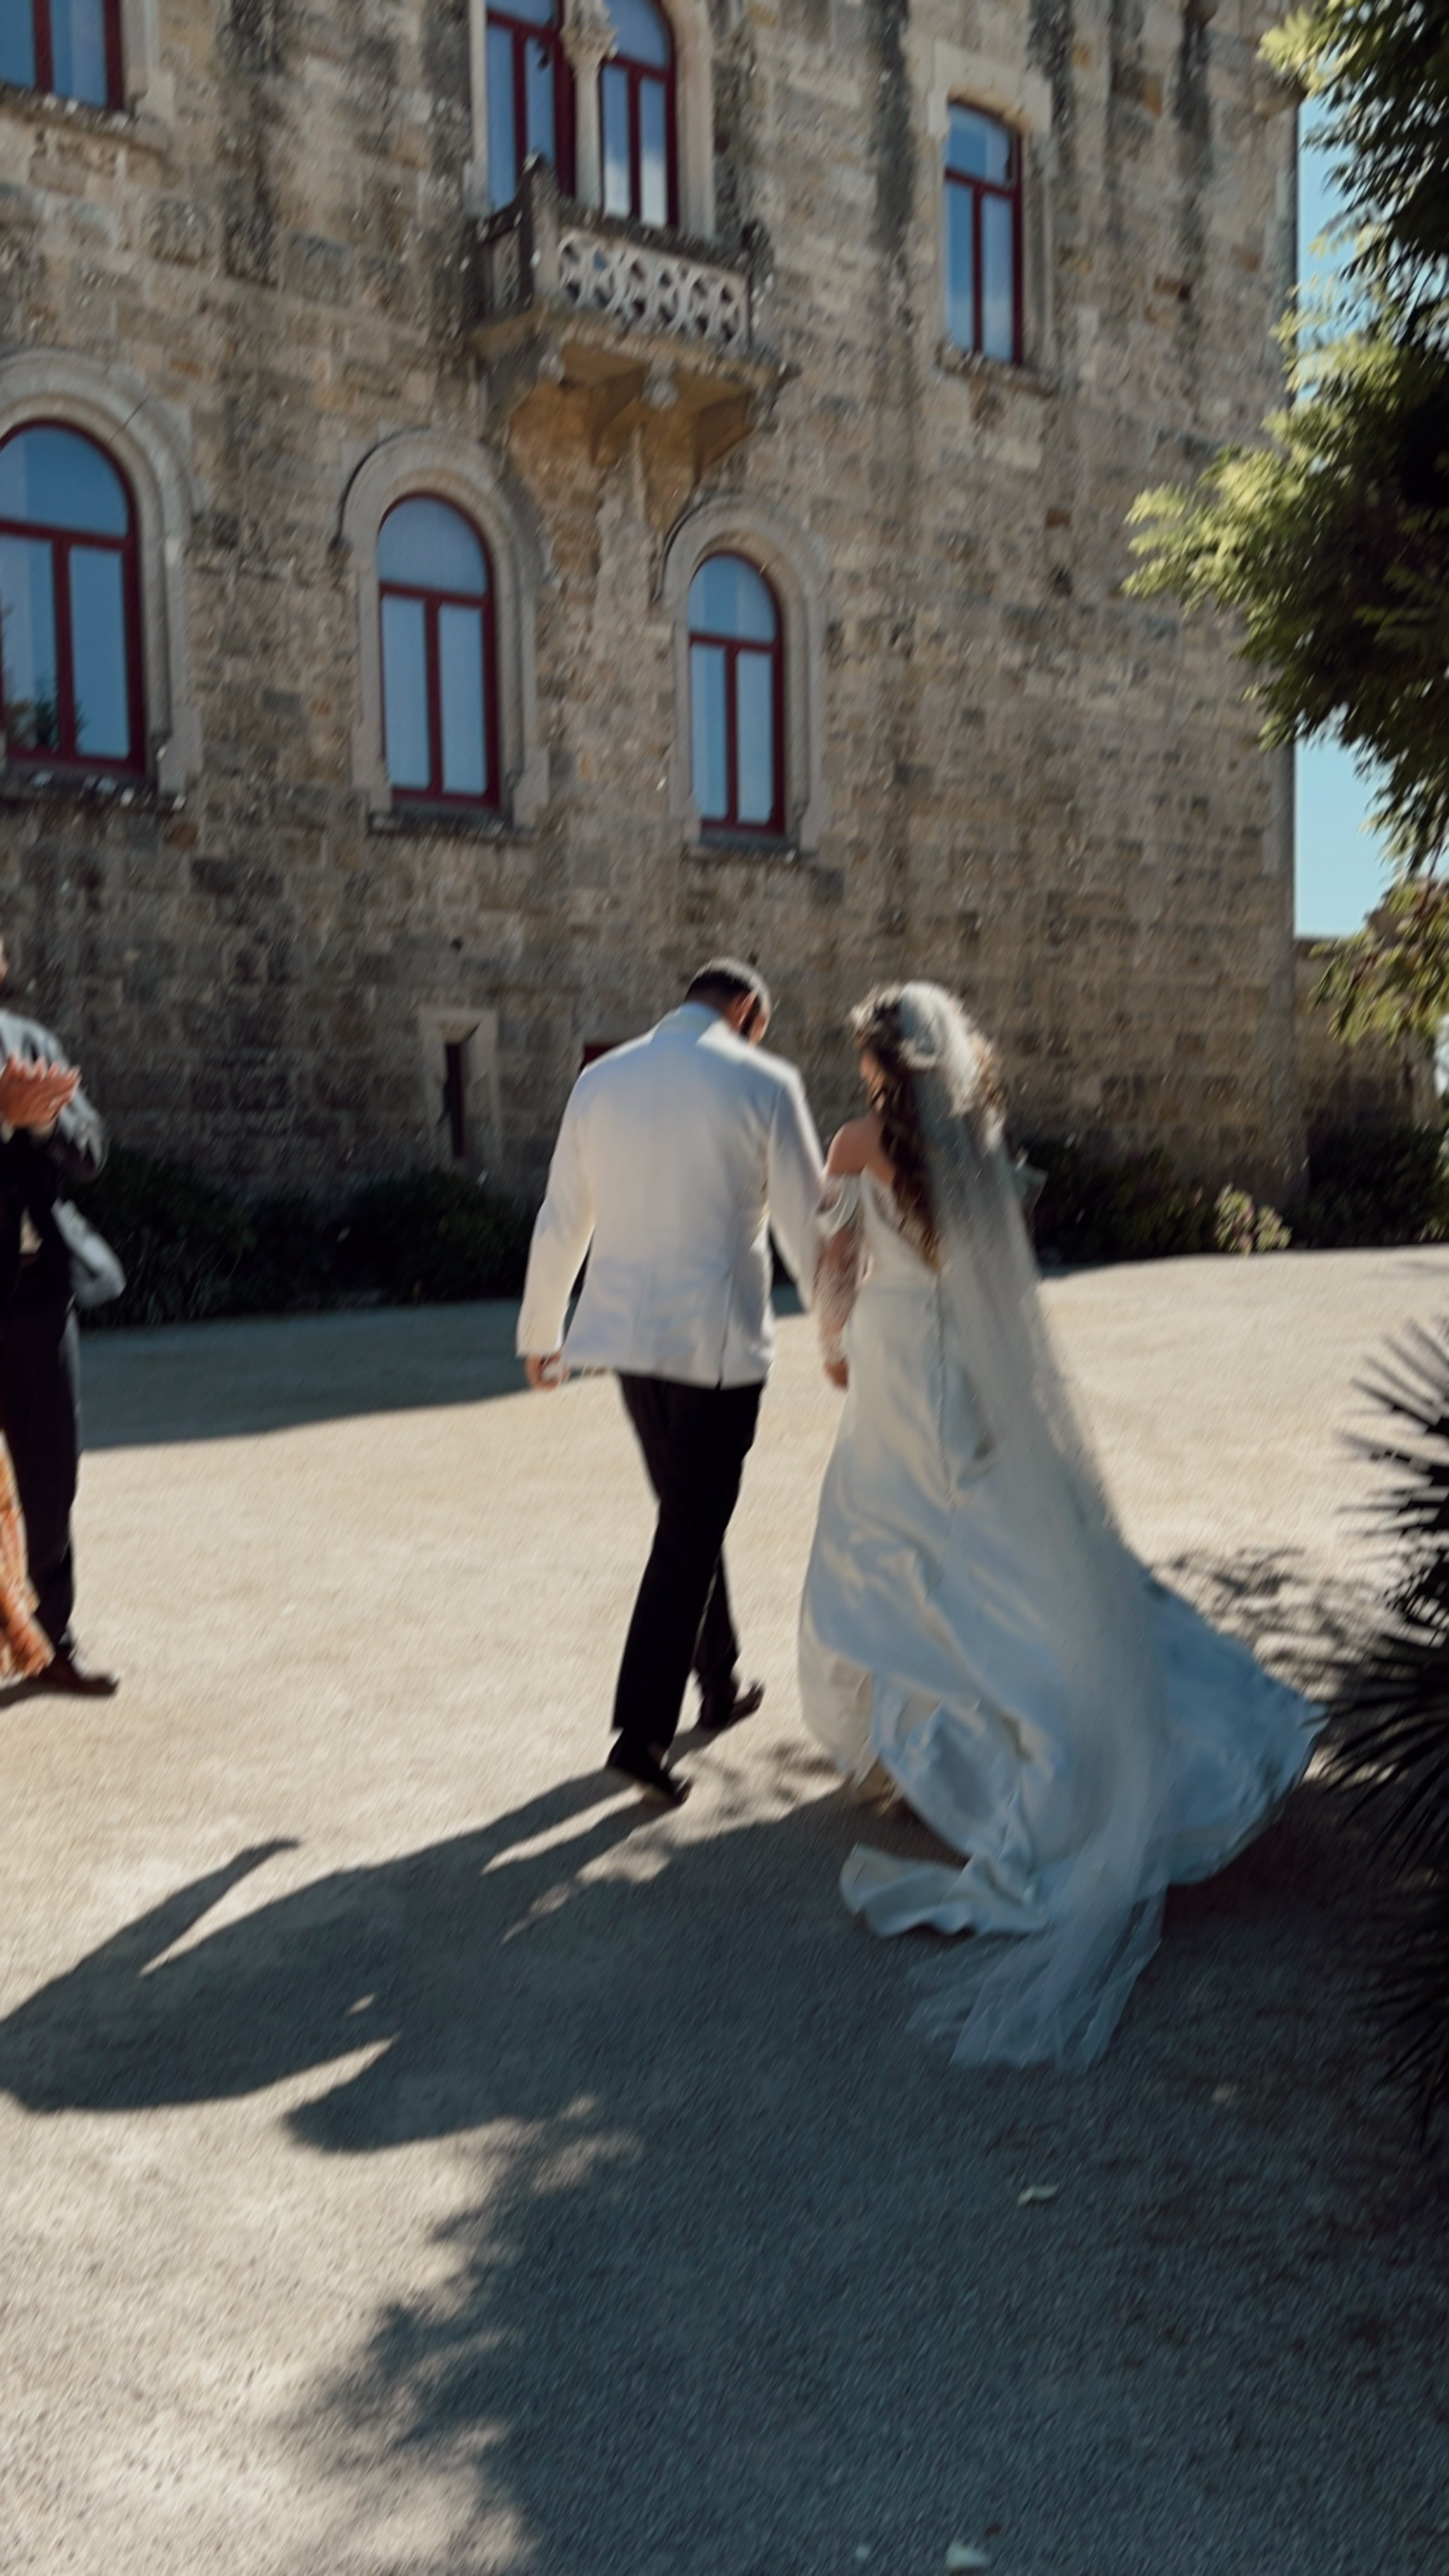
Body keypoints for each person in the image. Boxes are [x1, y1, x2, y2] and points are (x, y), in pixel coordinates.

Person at [798, 981, 1321, 2069]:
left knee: (893, 1552)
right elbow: (1000, 1276)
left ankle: (928, 1753)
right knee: (1010, 1559)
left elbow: (832, 1271)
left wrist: (833, 1351)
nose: (857, 1075)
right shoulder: (983, 1143)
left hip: (896, 1375)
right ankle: (1187, 1726)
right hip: (970, 1379)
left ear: (884, 1065)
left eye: (864, 1058)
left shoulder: (854, 1143)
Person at [519, 958, 824, 1807]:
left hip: (625, 1342)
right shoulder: (764, 1081)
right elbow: (807, 1224)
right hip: (715, 1345)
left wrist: (542, 1334)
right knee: (691, 1526)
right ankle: (642, 1731)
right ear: (749, 1011)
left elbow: (562, 1211)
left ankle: (719, 1681)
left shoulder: (603, 1078)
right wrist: (845, 1333)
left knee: (688, 1515)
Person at [0, 941, 117, 1696]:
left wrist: (43, 1125)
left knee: (50, 1477)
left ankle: (53, 1641)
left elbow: (92, 1152)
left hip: (38, 1295)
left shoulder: (33, 1044)